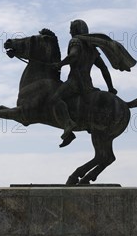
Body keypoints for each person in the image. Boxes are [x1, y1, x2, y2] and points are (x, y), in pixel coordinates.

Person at [50, 19, 117, 147]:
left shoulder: (75, 41)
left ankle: (68, 125)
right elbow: (103, 68)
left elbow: (73, 56)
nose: (70, 32)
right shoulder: (91, 47)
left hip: (75, 82)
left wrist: (60, 64)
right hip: (88, 85)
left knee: (54, 99)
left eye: (71, 29)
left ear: (75, 30)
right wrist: (110, 87)